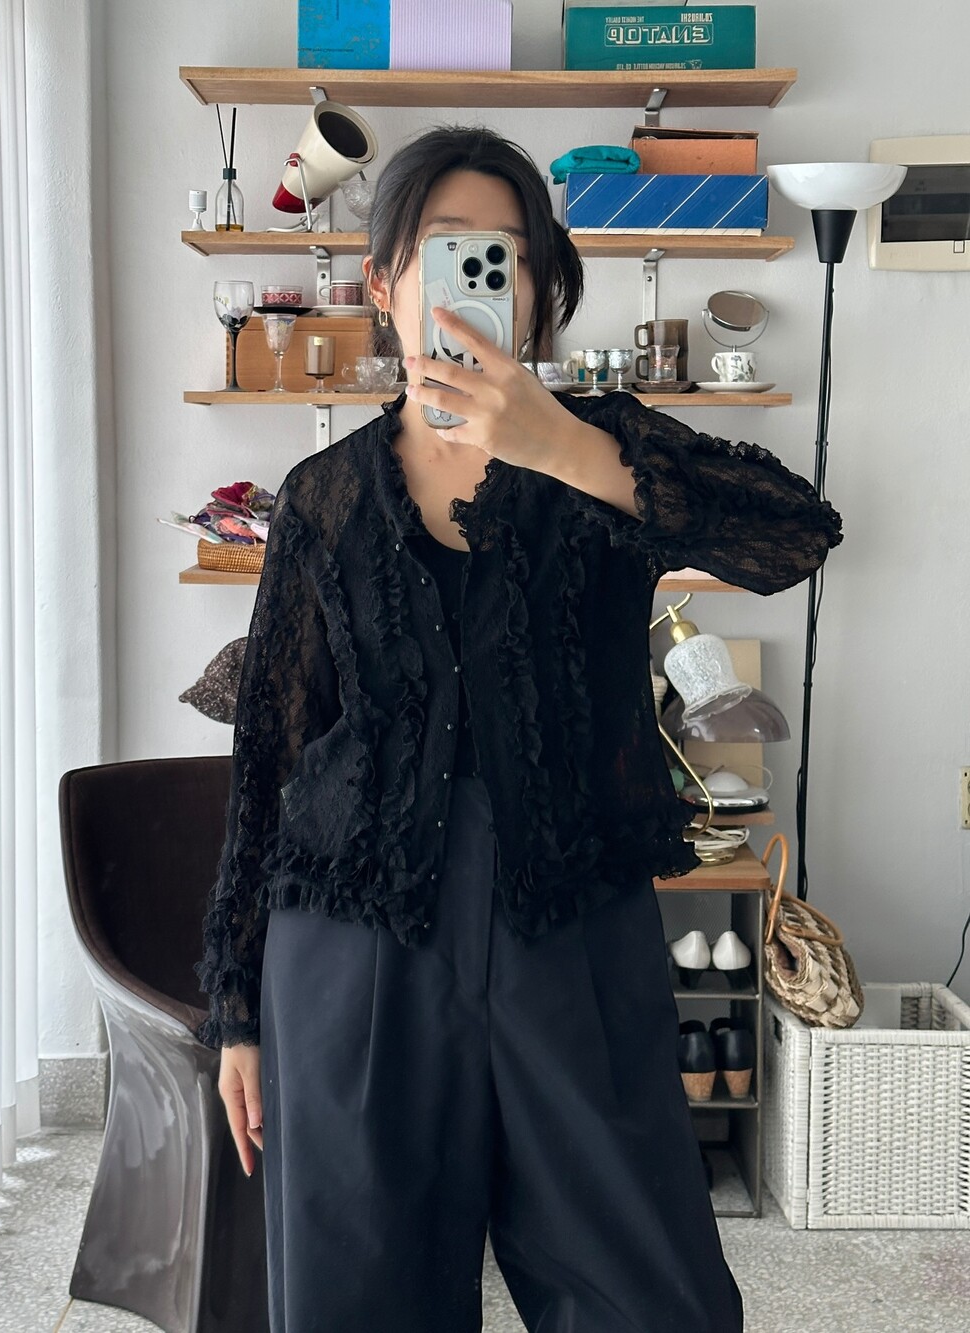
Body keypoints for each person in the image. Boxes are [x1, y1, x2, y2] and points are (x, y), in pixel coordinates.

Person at [194, 124, 843, 1333]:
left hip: (570, 928)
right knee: (356, 1297)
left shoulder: (606, 451)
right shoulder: (324, 498)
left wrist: (565, 445)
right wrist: (236, 1010)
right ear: (382, 283)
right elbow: (268, 761)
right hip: (355, 943)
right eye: (442, 250)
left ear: (541, 286)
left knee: (649, 1297)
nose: (476, 277)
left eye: (506, 253)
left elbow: (796, 536)